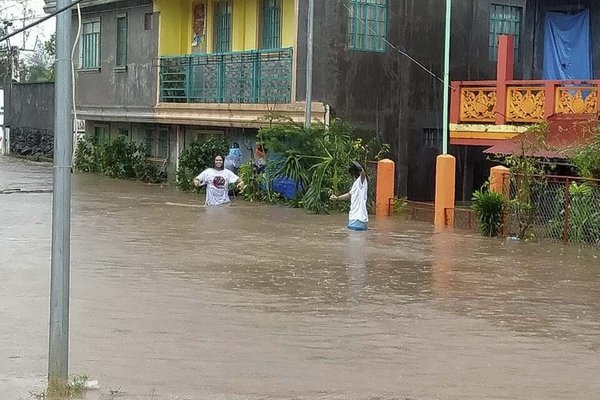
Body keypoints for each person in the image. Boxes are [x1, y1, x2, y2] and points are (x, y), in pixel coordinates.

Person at [330, 161, 368, 231]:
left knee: (353, 239)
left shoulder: (361, 181)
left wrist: (357, 165)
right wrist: (337, 198)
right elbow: (350, 195)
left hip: (358, 218)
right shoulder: (356, 183)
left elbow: (363, 174)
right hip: (357, 219)